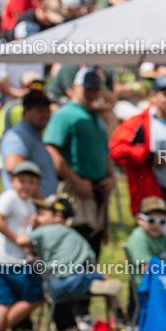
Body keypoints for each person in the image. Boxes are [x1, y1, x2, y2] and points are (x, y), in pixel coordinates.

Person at [44, 67, 115, 255]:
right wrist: (76, 181)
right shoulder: (64, 114)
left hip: (98, 187)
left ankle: (89, 282)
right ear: (75, 86)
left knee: (94, 246)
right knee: (76, 245)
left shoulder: (96, 116)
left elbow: (105, 150)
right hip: (77, 190)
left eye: (95, 89)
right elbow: (52, 149)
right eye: (87, 88)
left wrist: (112, 176)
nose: (91, 93)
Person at [0, 161, 45, 331]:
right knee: (35, 297)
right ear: (12, 181)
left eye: (32, 182)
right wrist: (16, 238)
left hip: (4, 261)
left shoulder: (26, 202)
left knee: (4, 302)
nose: (26, 186)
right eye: (22, 181)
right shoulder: (9, 197)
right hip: (13, 262)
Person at [110, 75, 166, 213]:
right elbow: (116, 149)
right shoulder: (138, 122)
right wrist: (149, 157)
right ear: (153, 96)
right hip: (152, 195)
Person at [28, 194, 122, 302]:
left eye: (41, 214)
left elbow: (23, 241)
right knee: (102, 276)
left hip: (50, 286)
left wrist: (33, 228)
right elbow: (90, 259)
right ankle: (118, 312)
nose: (37, 218)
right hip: (75, 281)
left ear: (58, 216)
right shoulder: (74, 236)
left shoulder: (42, 232)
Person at [1, 89, 58, 198]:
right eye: (40, 110)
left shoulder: (34, 134)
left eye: (47, 110)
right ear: (26, 111)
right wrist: (43, 204)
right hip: (27, 211)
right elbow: (14, 167)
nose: (45, 114)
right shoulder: (17, 136)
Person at [125, 196, 166, 290]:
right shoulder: (139, 238)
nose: (157, 225)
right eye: (151, 220)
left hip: (161, 284)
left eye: (162, 221)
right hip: (146, 289)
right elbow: (147, 269)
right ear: (139, 219)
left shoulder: (162, 237)